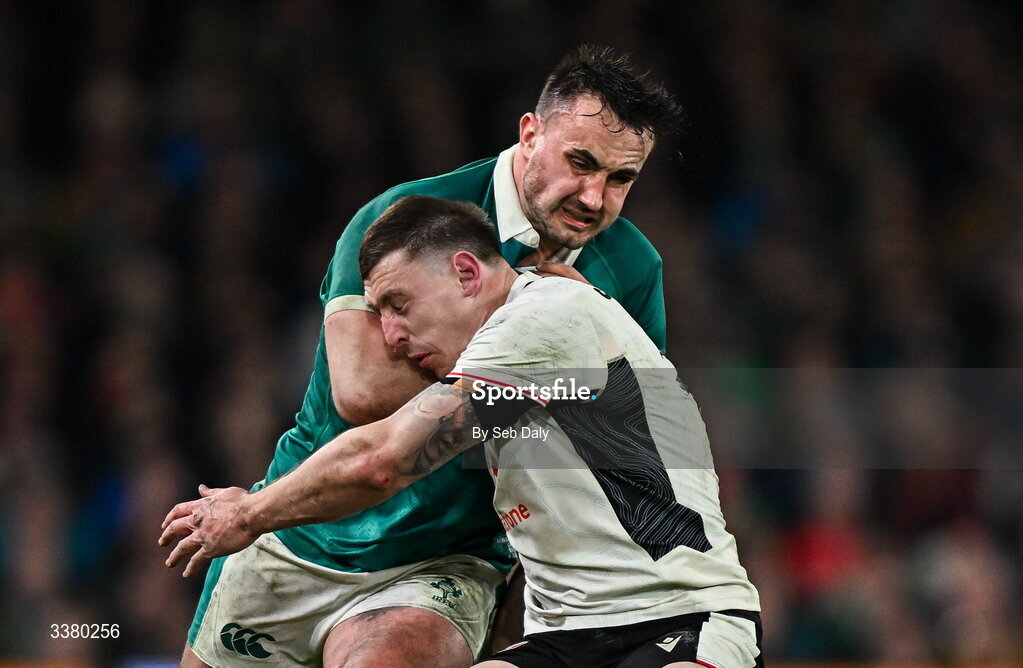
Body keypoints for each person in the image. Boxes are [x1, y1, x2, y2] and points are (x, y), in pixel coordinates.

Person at [174, 45, 685, 667]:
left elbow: (618, 436)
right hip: (299, 527)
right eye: (580, 162)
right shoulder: (406, 220)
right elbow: (361, 393)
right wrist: (545, 349)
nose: (594, 195)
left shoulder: (633, 269)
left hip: (448, 561)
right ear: (531, 134)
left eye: (621, 179)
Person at [161, 195, 763, 668]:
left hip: (679, 618)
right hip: (570, 640)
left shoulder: (542, 322)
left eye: (399, 303)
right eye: (377, 314)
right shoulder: (527, 348)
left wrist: (249, 513)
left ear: (467, 273)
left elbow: (385, 460)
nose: (391, 335)